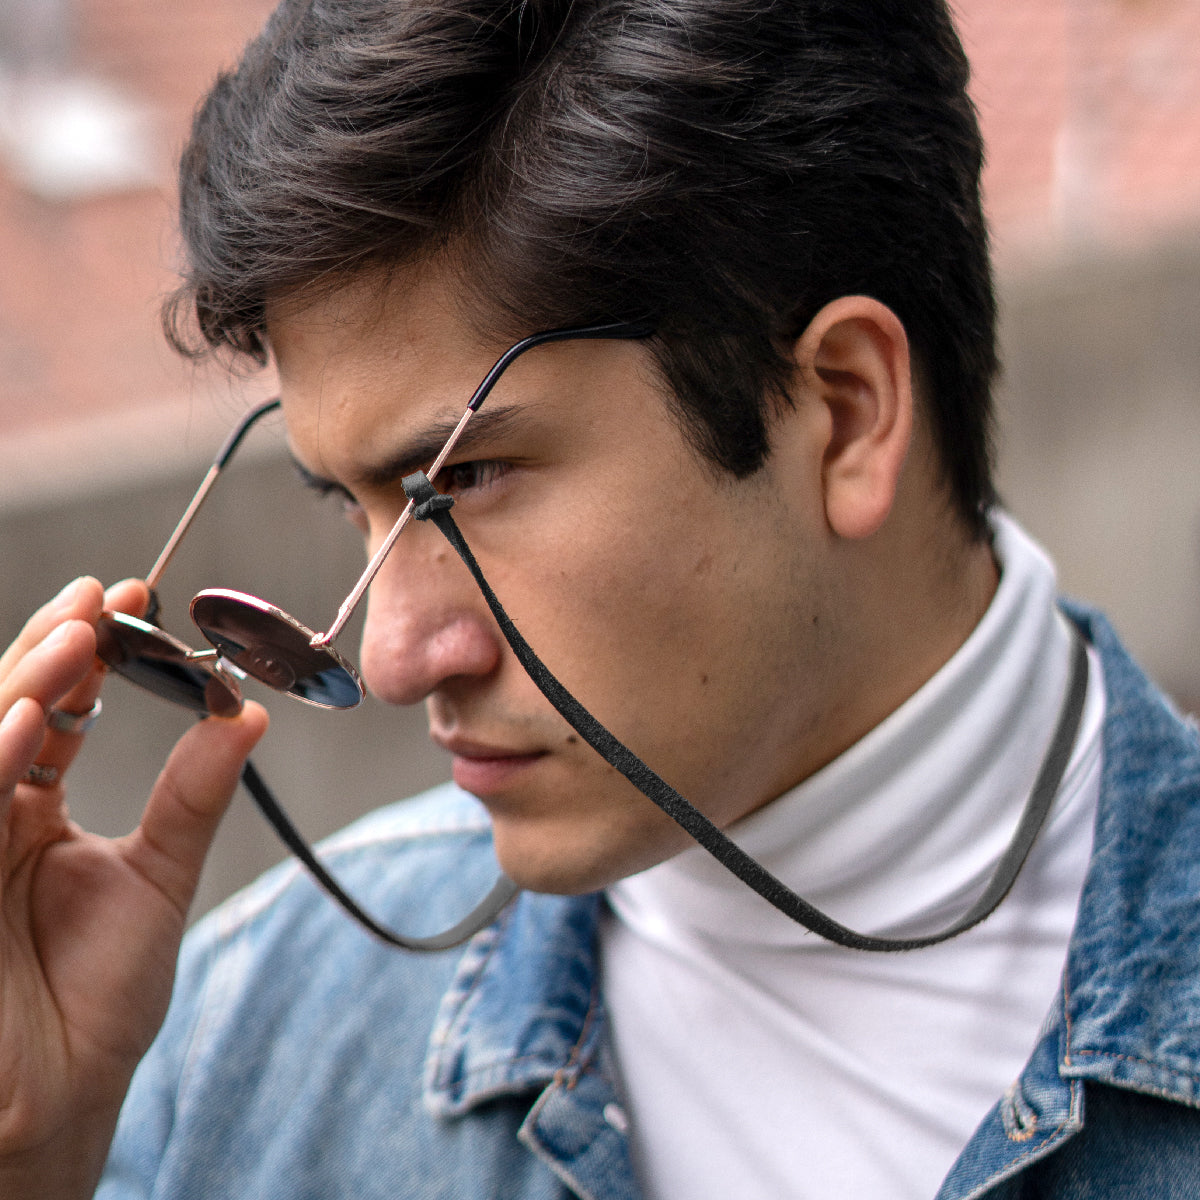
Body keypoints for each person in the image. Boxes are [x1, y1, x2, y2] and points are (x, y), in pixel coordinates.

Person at [1, 0, 1198, 1196]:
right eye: (348, 508)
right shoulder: (229, 1050)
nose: (397, 658)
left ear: (844, 413)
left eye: (468, 482)